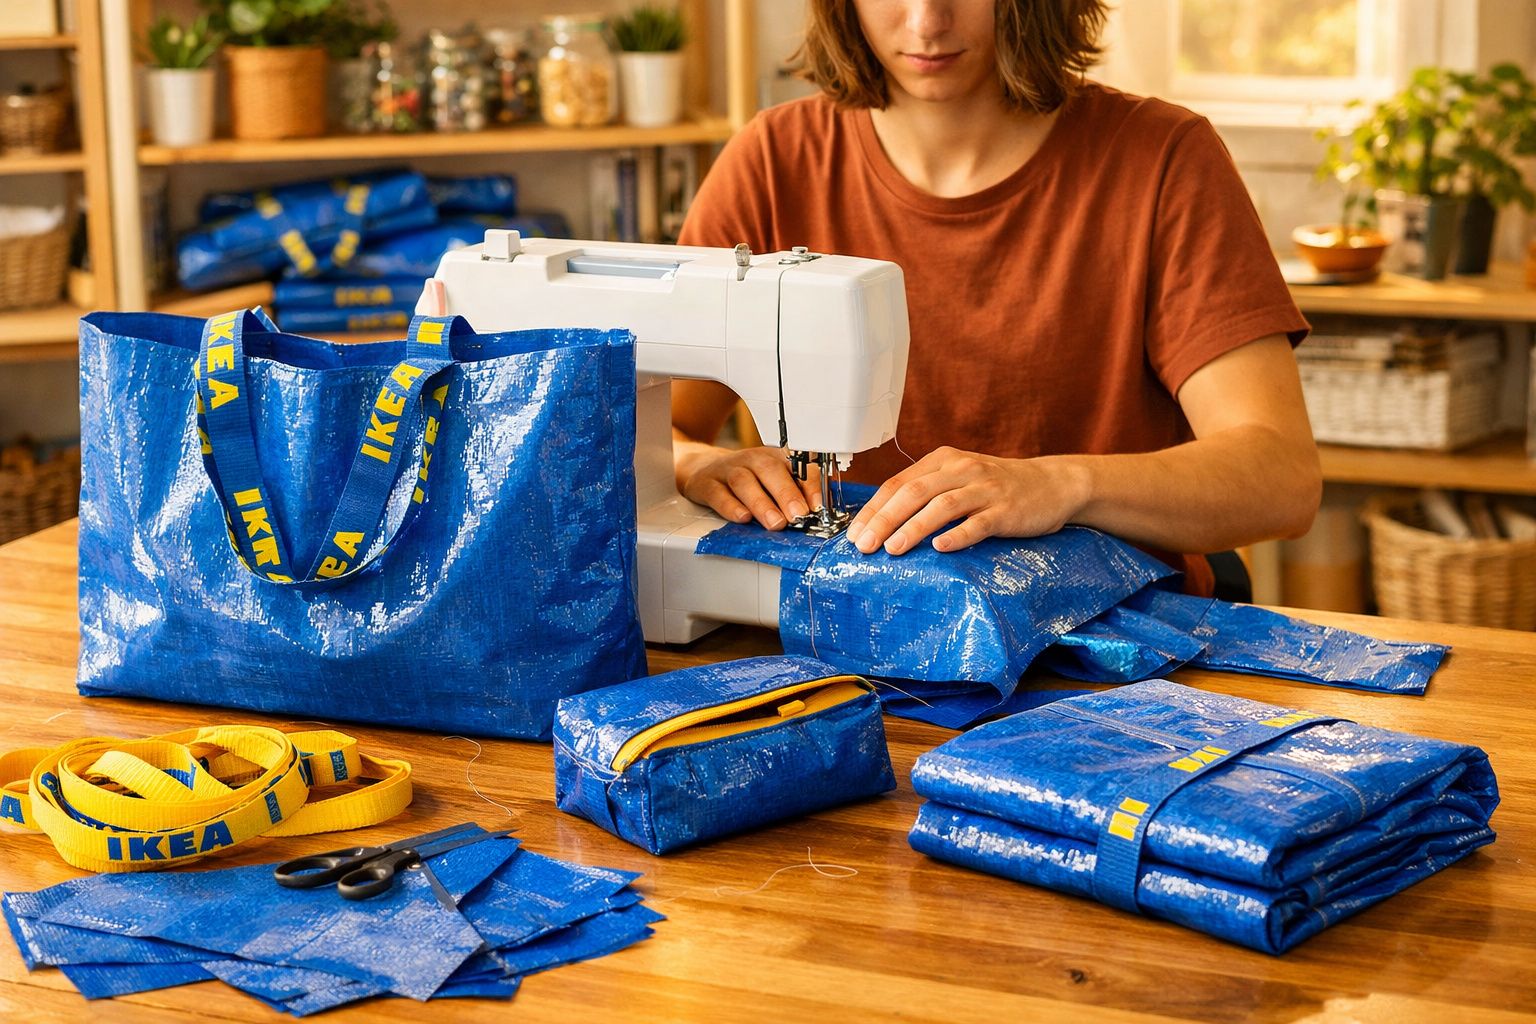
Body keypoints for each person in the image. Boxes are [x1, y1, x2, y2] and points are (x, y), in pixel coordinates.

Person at [672, 0, 1321, 596]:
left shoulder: (1165, 162)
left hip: (1117, 655)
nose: (927, 21)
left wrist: (1063, 485)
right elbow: (654, 429)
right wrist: (694, 463)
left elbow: (1281, 478)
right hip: (850, 638)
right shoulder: (770, 163)